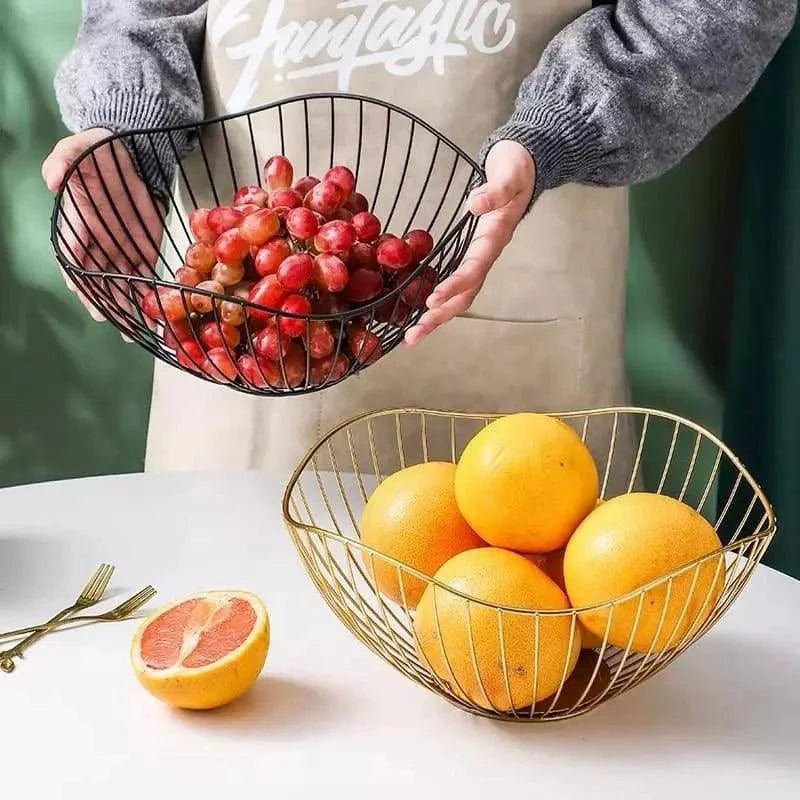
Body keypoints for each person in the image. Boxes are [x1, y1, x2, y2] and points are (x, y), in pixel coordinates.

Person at [43, 1, 796, 474]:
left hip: (522, 293)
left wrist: (562, 129)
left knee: (506, 655)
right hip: (239, 344)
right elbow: (135, 11)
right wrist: (128, 135)